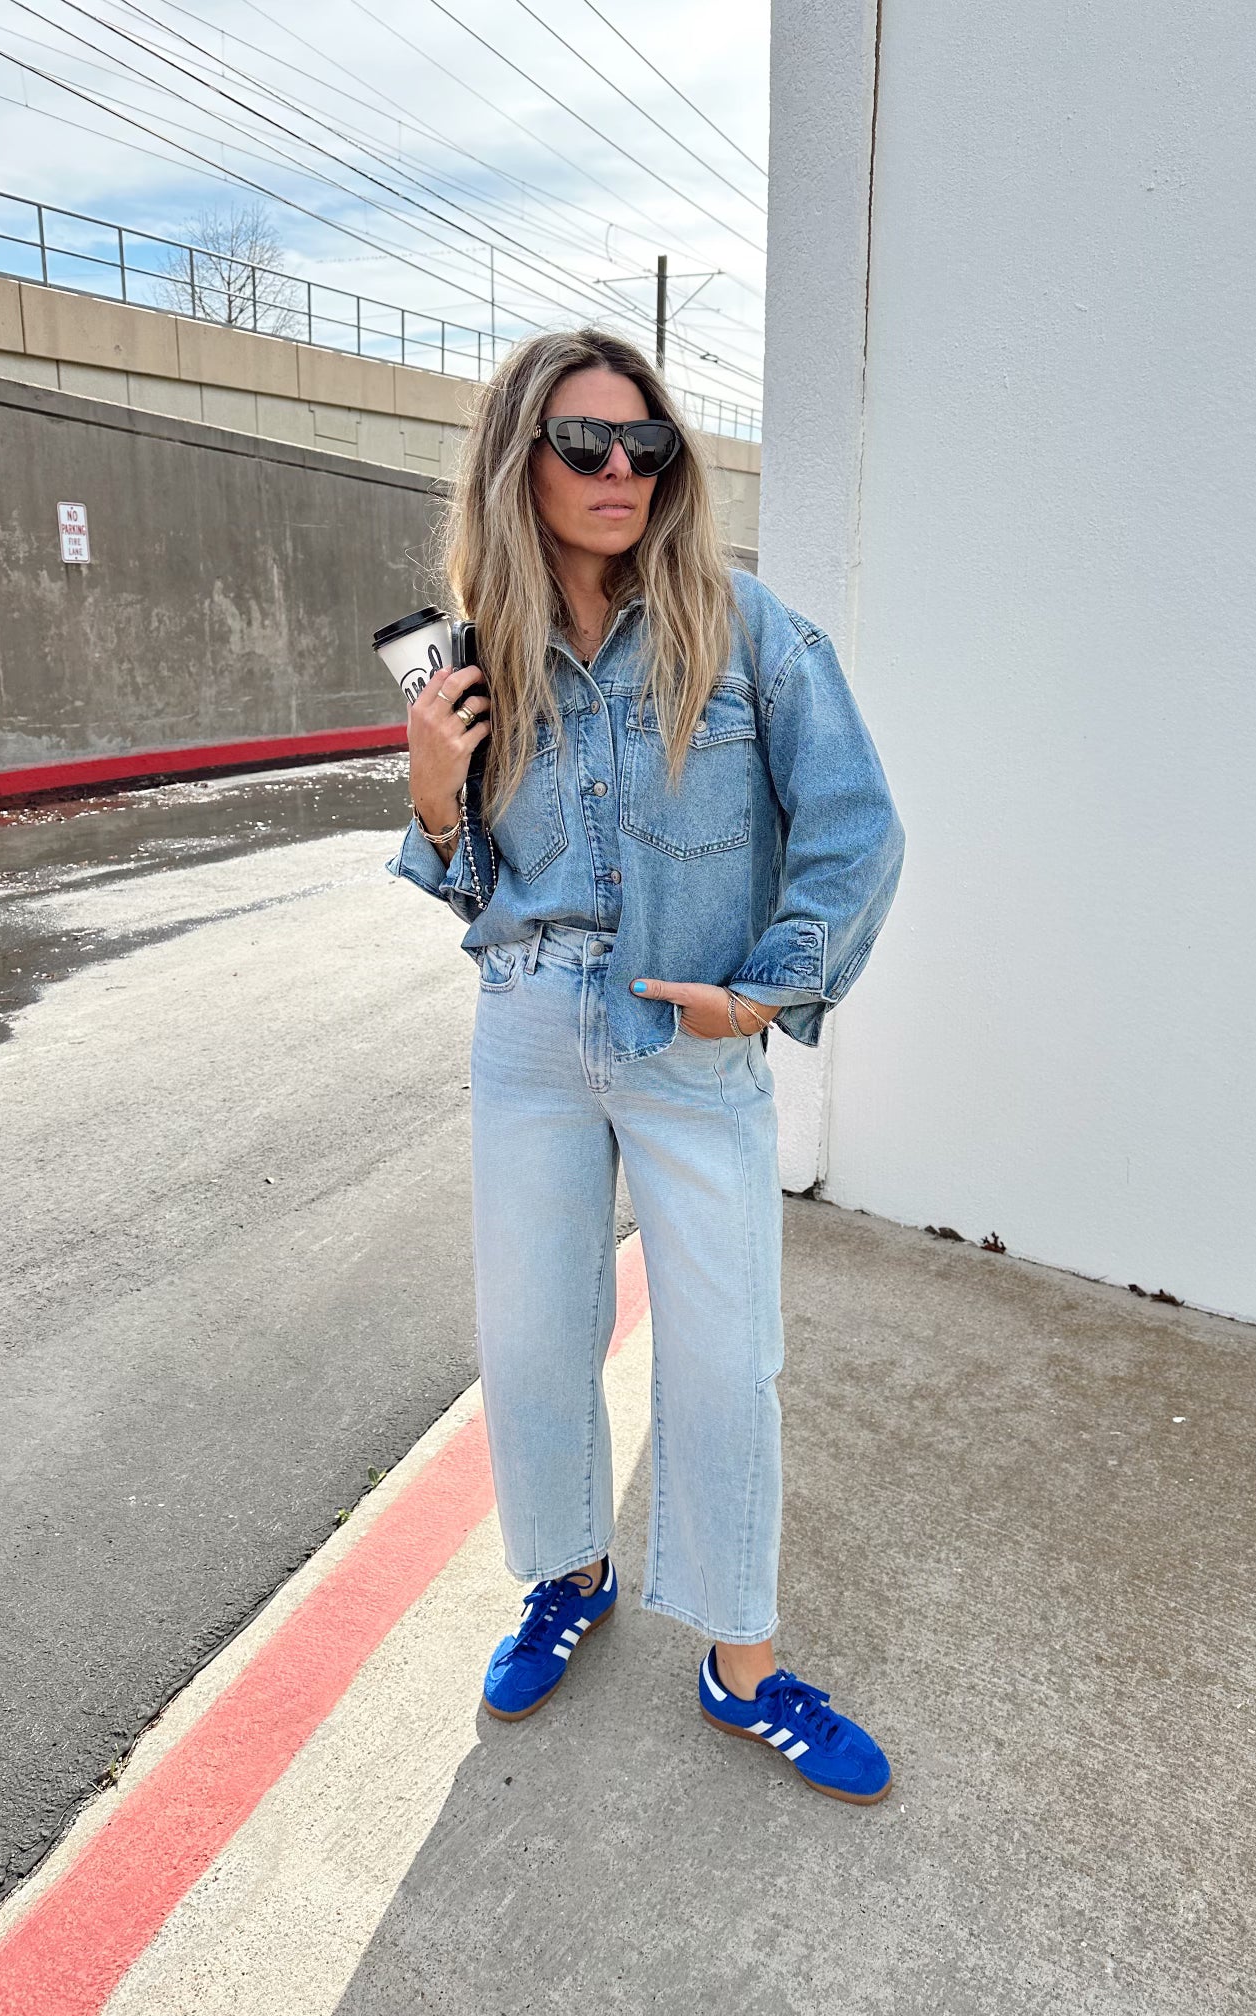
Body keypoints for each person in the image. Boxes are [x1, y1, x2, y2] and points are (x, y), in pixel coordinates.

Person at [387, 327, 905, 1805]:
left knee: (729, 1361)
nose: (621, 468)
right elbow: (471, 886)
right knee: (534, 1339)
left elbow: (858, 827)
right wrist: (432, 794)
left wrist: (768, 992)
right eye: (585, 441)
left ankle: (742, 1663)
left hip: (689, 1039)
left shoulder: (742, 628)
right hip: (530, 1032)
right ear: (523, 462)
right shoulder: (477, 654)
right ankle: (568, 1574)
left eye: (648, 442)